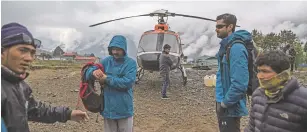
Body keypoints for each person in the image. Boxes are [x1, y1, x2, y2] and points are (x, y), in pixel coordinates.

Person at [1, 22, 89, 132]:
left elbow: (35, 110)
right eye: (22, 50)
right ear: (2, 51)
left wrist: (67, 114)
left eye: (32, 52)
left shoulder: (20, 86)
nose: (29, 58)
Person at [244, 50, 307, 132]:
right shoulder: (257, 94)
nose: (259, 76)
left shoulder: (303, 100)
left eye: (265, 71)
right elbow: (251, 127)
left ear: (282, 74)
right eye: (259, 71)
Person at [85, 35, 137, 132]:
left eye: (118, 49)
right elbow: (88, 72)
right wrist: (93, 72)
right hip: (108, 109)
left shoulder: (131, 63)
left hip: (124, 109)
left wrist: (106, 79)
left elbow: (127, 82)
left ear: (124, 49)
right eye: (113, 49)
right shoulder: (105, 61)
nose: (115, 52)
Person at [214, 13, 250, 132]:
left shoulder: (236, 48)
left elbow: (240, 83)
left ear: (230, 27)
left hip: (229, 105)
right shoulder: (226, 46)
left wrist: (225, 103)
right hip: (222, 99)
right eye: (216, 26)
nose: (216, 29)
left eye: (220, 26)